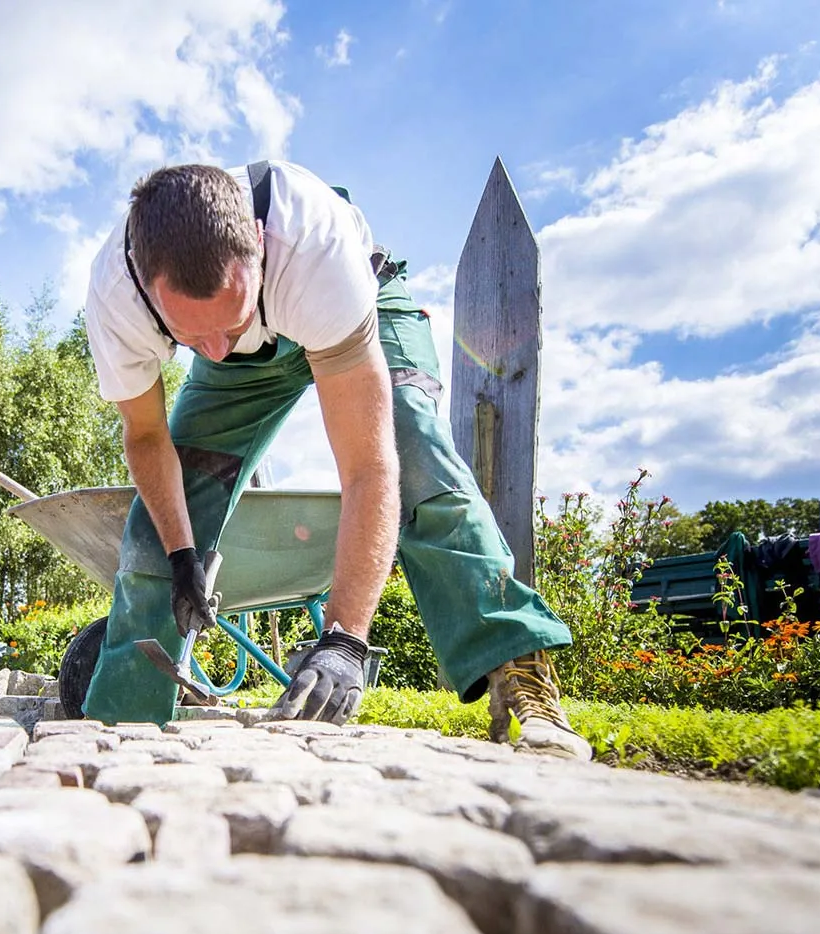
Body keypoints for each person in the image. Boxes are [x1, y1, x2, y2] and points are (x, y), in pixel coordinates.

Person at [79, 160, 589, 759]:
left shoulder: (314, 247)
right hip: (240, 370)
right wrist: (182, 553)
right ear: (148, 286)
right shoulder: (118, 295)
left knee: (416, 454)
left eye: (230, 319)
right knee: (161, 525)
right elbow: (146, 438)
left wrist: (346, 638)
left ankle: (522, 684)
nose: (213, 349)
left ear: (261, 250)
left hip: (355, 312)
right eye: (190, 338)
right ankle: (119, 726)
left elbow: (368, 467)